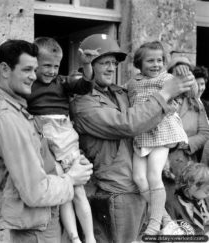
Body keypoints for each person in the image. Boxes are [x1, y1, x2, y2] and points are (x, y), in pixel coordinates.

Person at [69, 34, 195, 243]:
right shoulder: (83, 103)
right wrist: (163, 96)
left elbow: (153, 104)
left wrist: (182, 73)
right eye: (103, 63)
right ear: (88, 65)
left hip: (141, 187)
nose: (111, 68)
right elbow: (127, 124)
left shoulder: (120, 91)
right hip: (116, 191)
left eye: (113, 63)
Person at [0, 37, 97, 243]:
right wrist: (71, 178)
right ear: (5, 69)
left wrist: (73, 165)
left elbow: (83, 84)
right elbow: (35, 192)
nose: (34, 77)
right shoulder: (7, 118)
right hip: (35, 227)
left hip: (43, 218)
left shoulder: (20, 110)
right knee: (76, 191)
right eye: (27, 70)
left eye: (34, 70)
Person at [126, 42, 198, 236]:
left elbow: (192, 93)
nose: (156, 64)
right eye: (150, 60)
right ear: (139, 64)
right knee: (139, 178)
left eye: (159, 60)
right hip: (141, 134)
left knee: (153, 176)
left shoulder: (167, 78)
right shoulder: (132, 83)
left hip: (161, 131)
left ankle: (154, 223)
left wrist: (186, 75)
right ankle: (166, 219)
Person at [165, 162, 209, 234]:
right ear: (193, 185)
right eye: (207, 191)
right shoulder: (172, 204)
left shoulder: (202, 200)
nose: (208, 194)